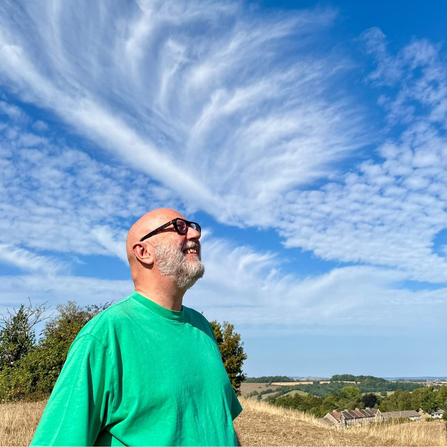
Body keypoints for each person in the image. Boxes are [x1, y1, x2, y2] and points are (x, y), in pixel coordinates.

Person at [31, 208, 242, 446]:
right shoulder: (104, 336)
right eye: (180, 227)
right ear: (144, 252)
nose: (194, 233)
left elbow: (222, 423)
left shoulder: (202, 327)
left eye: (193, 226)